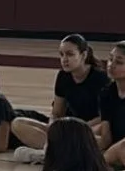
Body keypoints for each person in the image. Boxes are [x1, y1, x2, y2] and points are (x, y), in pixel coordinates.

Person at [10, 34, 111, 163]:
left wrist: (76, 127)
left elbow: (105, 117)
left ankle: (49, 155)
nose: (64, 59)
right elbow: (57, 112)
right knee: (17, 123)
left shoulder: (100, 78)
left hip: (90, 130)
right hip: (65, 129)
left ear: (84, 55)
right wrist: (53, 128)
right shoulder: (63, 76)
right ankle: (57, 153)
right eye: (61, 55)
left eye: (69, 54)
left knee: (97, 138)